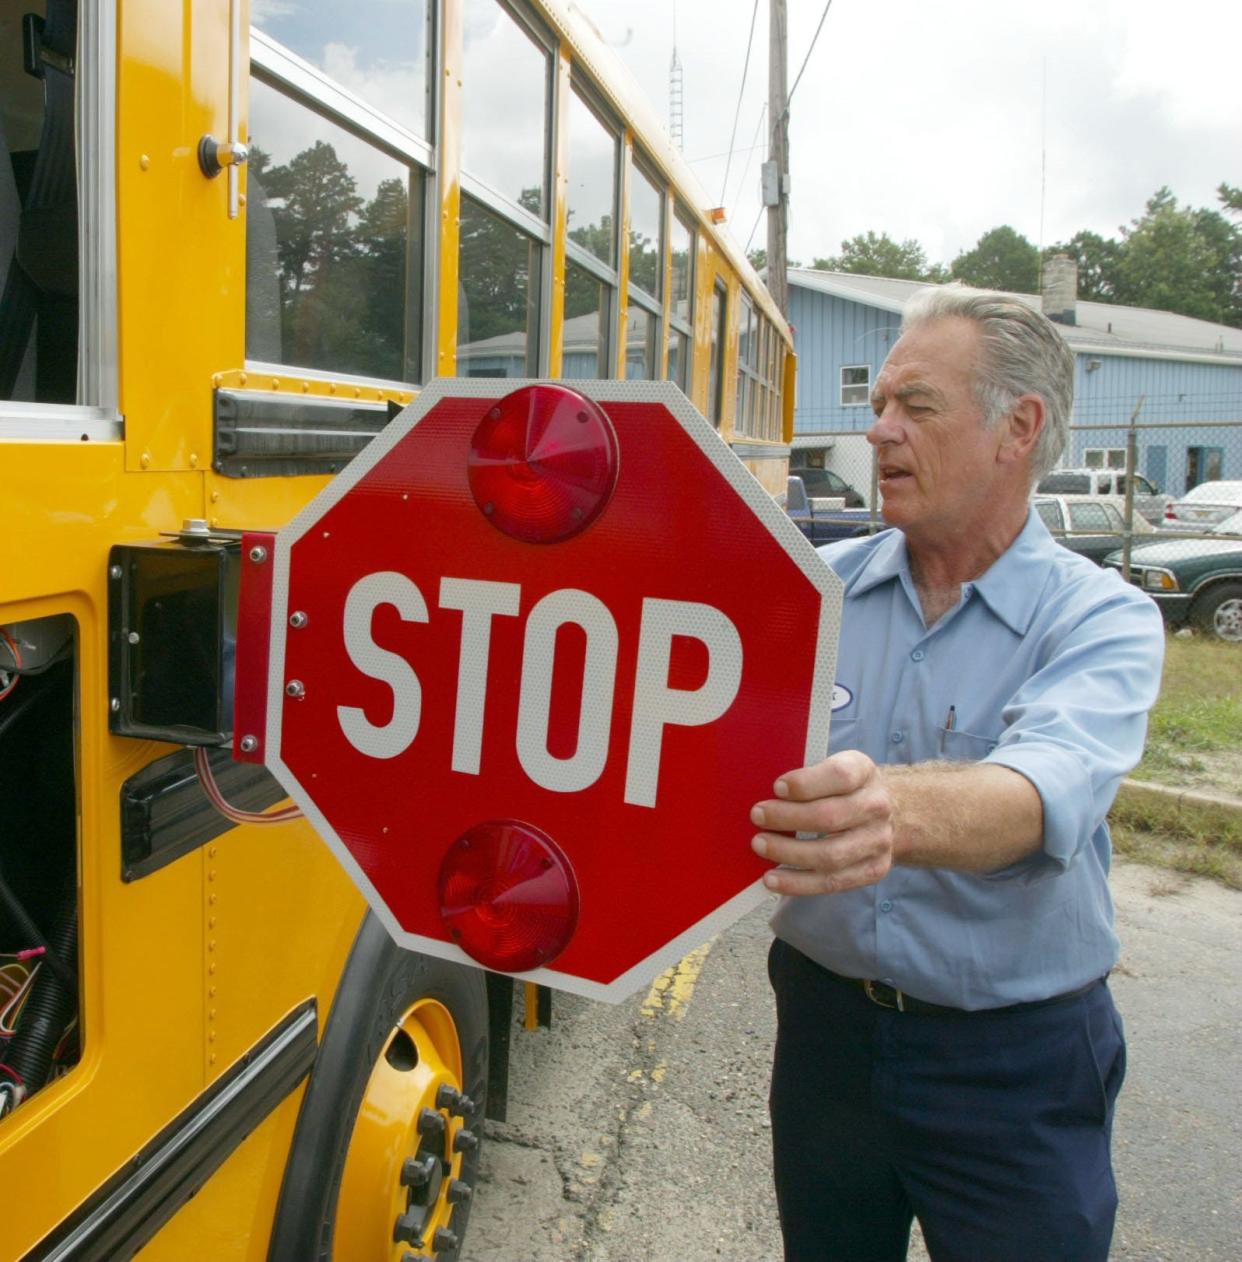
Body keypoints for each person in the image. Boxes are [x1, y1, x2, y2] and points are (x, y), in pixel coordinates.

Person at [750, 286, 1165, 1262]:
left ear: (1017, 428)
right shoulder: (813, 596)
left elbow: (1041, 787)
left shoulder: (1100, 618)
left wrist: (881, 807)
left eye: (916, 406)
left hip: (1014, 1064)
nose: (879, 430)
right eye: (880, 402)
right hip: (825, 1038)